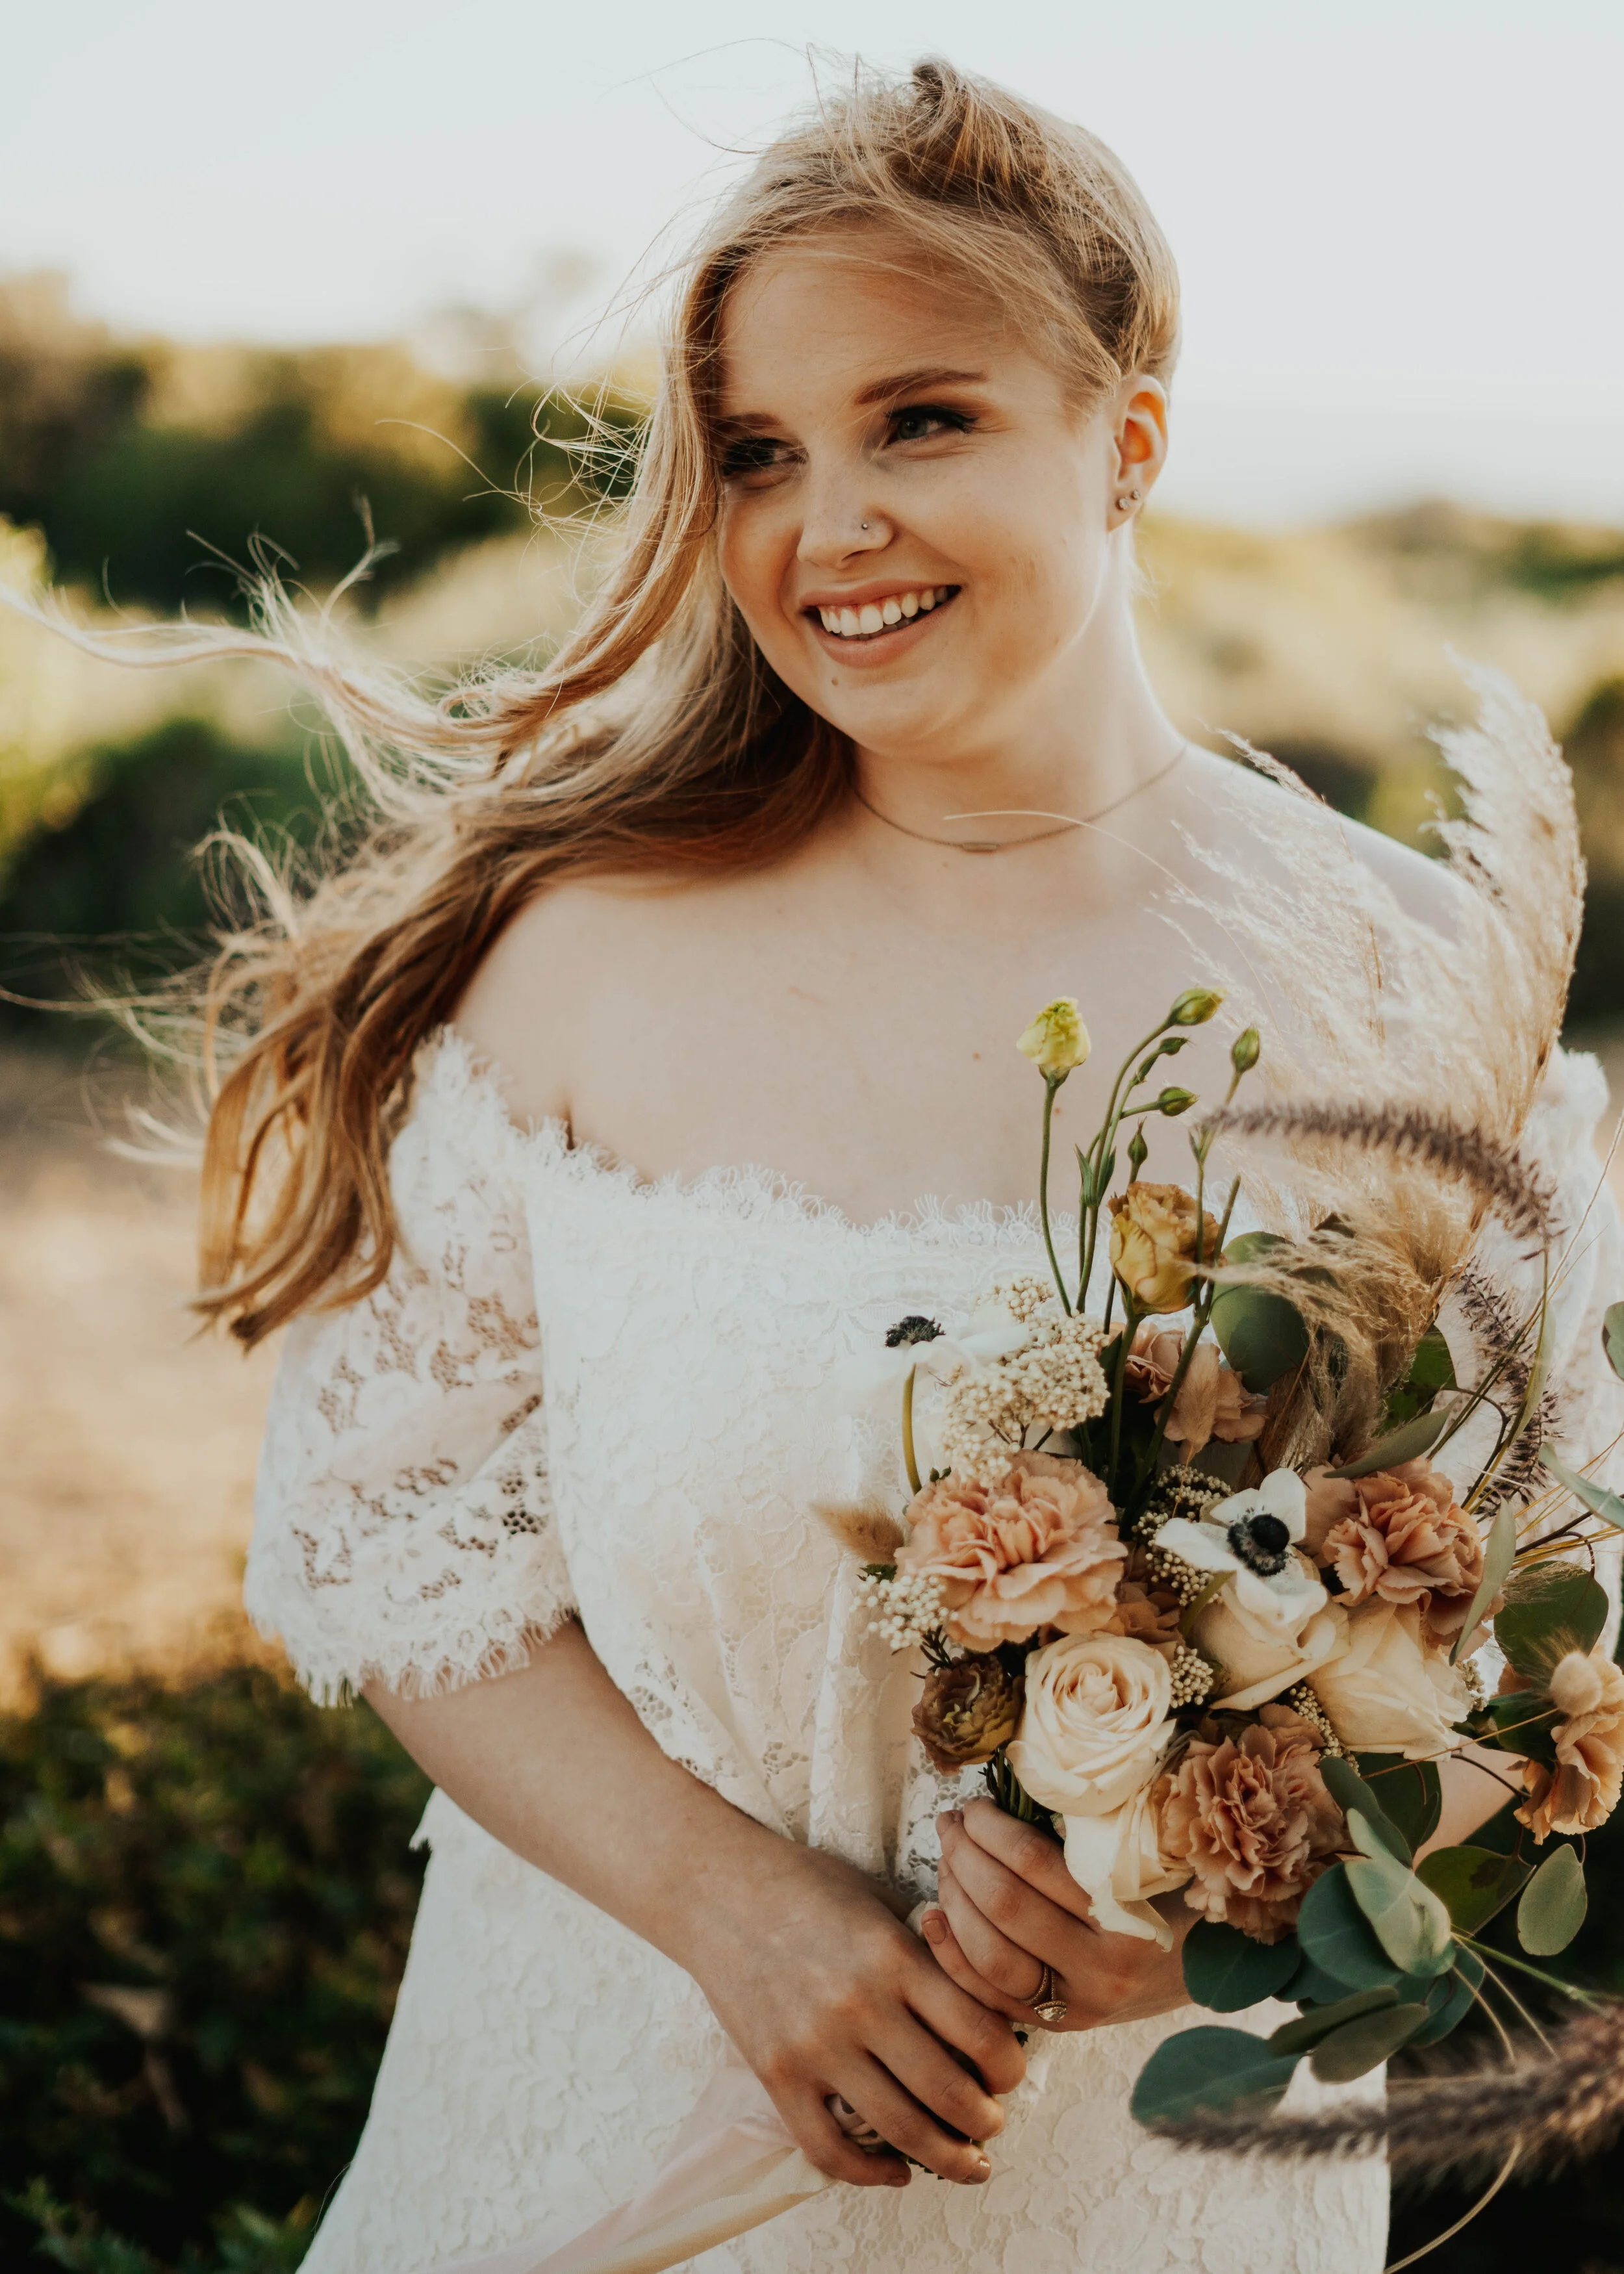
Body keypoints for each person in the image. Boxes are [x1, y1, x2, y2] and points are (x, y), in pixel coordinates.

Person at [209, 58, 1612, 2274]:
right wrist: (737, 1916)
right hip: (601, 2131)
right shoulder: (577, 953)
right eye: (758, 453)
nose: (820, 523)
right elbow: (391, 1537)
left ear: (1126, 439)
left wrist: (1213, 1914)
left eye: (918, 420)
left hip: (1135, 2184)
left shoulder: (1413, 987)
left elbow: (1547, 1645)